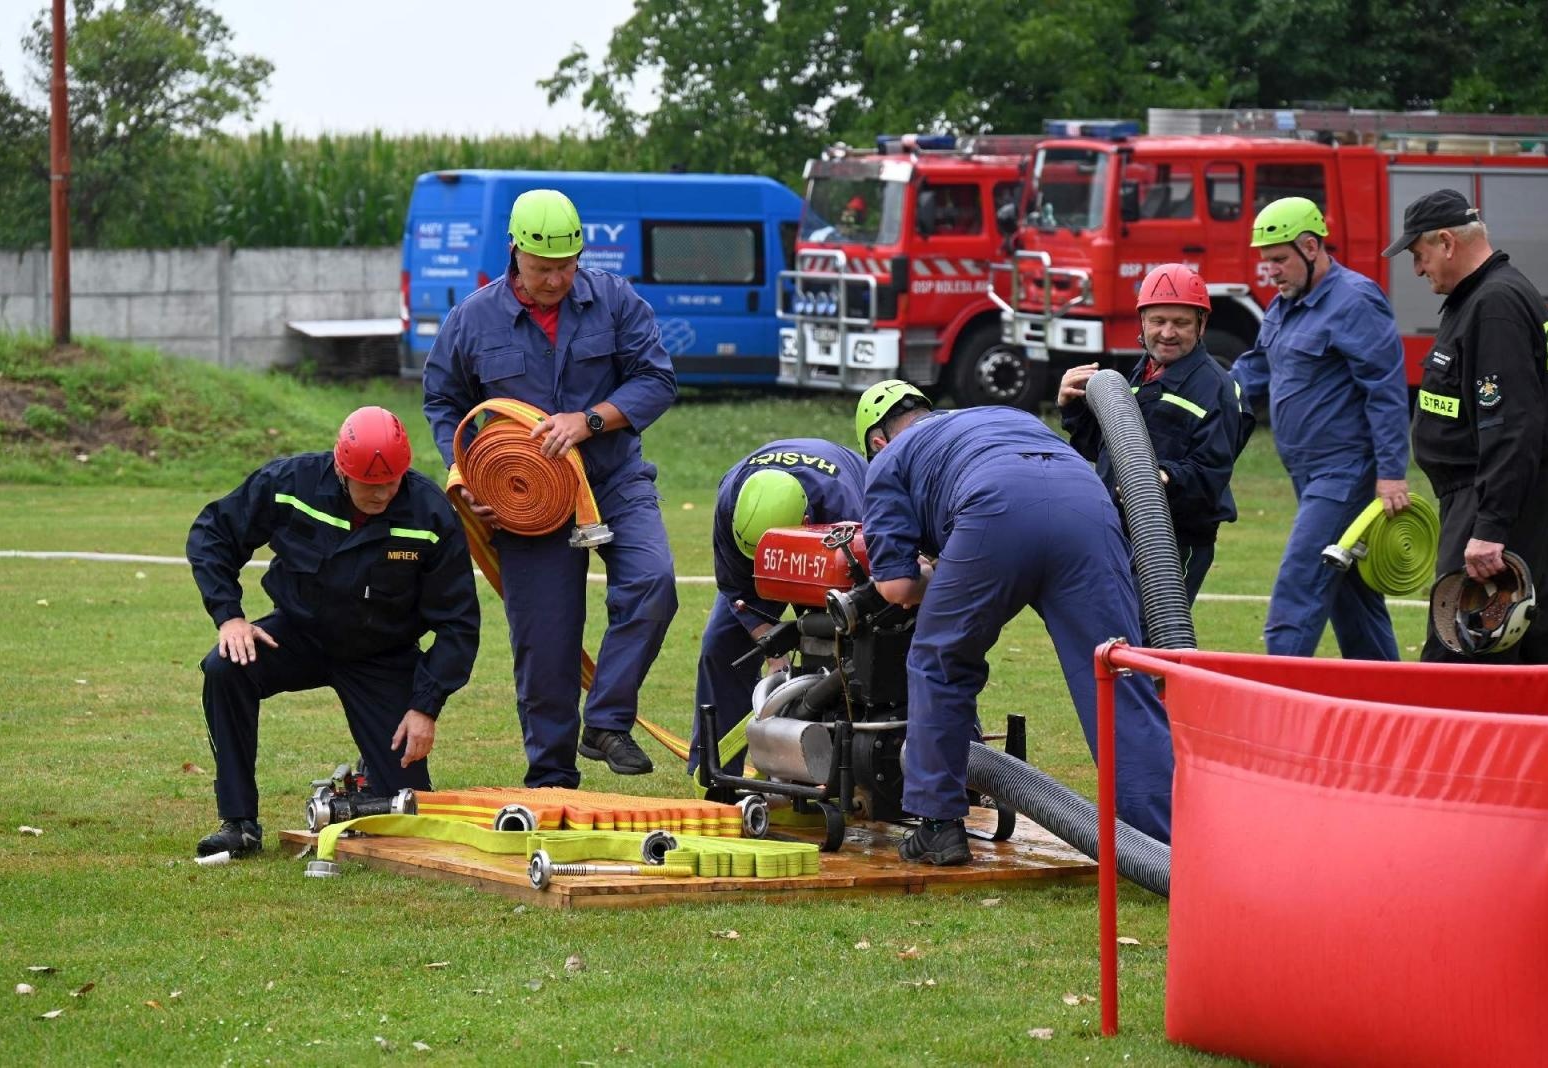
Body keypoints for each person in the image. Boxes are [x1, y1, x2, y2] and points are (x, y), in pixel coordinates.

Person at [856, 381, 1174, 865]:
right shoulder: (993, 416)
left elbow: (896, 589)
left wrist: (939, 575)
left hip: (995, 506)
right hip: (1083, 501)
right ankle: (1162, 843)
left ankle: (939, 824)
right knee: (1117, 674)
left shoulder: (888, 461)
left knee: (939, 660)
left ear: (876, 441)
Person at [423, 188, 679, 786]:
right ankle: (551, 781)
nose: (557, 278)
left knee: (653, 582)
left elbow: (657, 380)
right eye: (543, 268)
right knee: (545, 645)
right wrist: (466, 476)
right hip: (524, 500)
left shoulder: (615, 300)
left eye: (568, 265)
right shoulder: (472, 320)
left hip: (613, 479)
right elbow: (443, 401)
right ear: (514, 251)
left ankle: (608, 720)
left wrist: (590, 420)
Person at [186, 407, 480, 858]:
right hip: (299, 634)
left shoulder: (430, 514)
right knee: (226, 666)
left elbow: (459, 623)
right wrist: (230, 617)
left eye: (392, 480)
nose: (382, 492)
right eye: (369, 482)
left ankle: (370, 774)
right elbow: (213, 533)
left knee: (404, 812)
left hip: (381, 654)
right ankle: (238, 822)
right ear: (342, 470)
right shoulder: (291, 483)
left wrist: (425, 706)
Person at [1385, 188, 1548, 664]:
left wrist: (1489, 527)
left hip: (1492, 499)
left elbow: (1511, 426)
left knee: (1463, 648)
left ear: (1446, 242)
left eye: (1419, 254)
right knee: (1517, 649)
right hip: (1499, 496)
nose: (1418, 269)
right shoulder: (1487, 296)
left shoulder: (1495, 305)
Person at [1233, 196, 1412, 660]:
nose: (1270, 271)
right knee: (1352, 598)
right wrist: (1186, 394)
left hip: (1344, 473)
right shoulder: (1283, 306)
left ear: (1311, 247)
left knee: (1298, 588)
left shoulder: (1356, 300)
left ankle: (1277, 705)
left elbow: (1386, 390)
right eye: (1265, 261)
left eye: (1278, 259)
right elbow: (1253, 370)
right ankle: (1389, 705)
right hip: (1306, 474)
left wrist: (1392, 473)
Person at [1058, 263, 1250, 603]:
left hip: (1174, 541)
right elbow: (1105, 449)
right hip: (1117, 532)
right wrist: (1071, 406)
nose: (1167, 333)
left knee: (1153, 637)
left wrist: (1163, 478)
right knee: (1112, 632)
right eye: (1158, 321)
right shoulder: (1142, 373)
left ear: (1201, 325)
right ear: (1142, 322)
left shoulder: (1217, 389)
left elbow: (1211, 474)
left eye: (1181, 323)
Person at [692, 440, 868, 773]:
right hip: (753, 571)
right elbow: (736, 586)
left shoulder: (849, 510)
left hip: (832, 552)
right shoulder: (730, 501)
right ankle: (714, 772)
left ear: (804, 520)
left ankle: (841, 766)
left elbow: (867, 594)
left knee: (856, 659)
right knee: (720, 650)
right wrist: (774, 651)